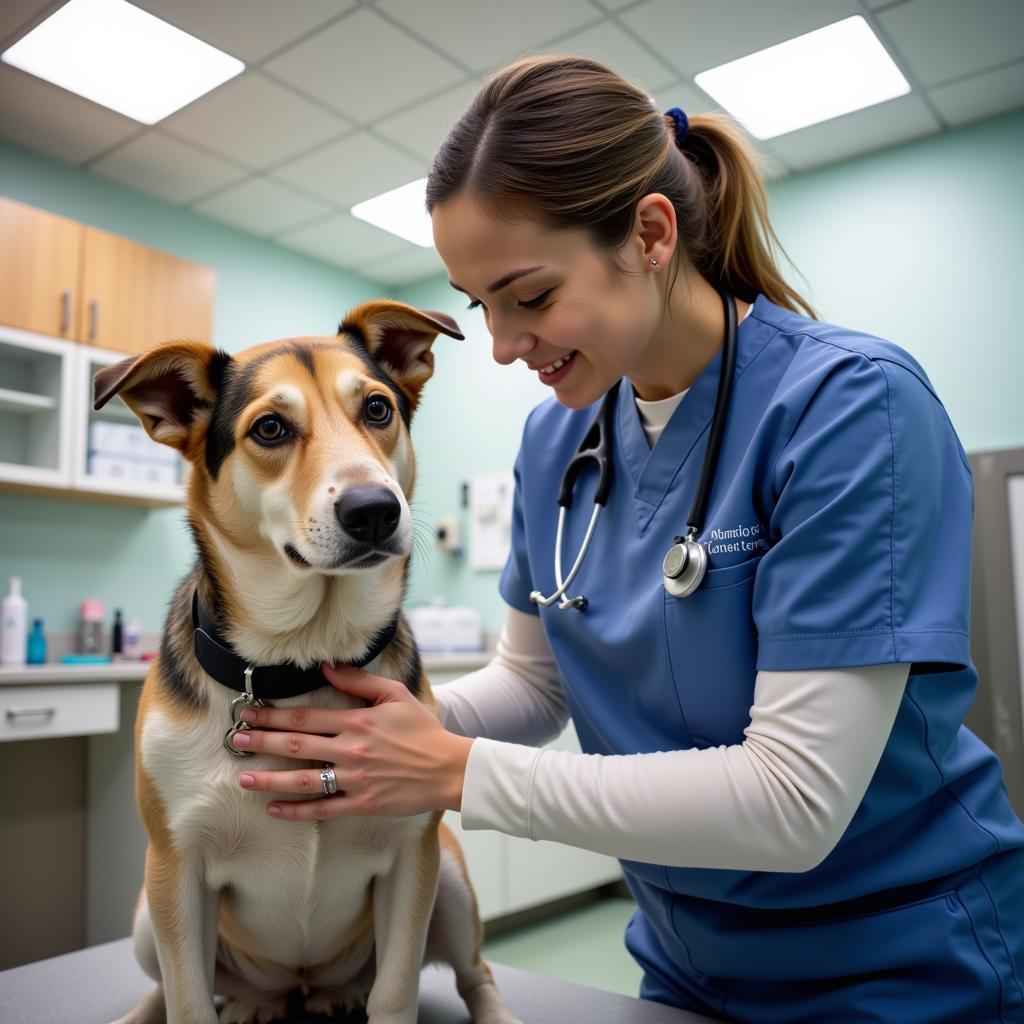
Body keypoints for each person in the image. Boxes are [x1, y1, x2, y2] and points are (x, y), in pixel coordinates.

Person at [230, 55, 1024, 1022]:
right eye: (481, 305)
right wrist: (367, 727)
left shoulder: (852, 410)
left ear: (651, 235)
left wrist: (453, 770)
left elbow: (795, 798)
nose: (501, 344)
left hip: (896, 966)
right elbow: (537, 682)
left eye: (528, 294)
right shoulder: (555, 438)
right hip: (684, 965)